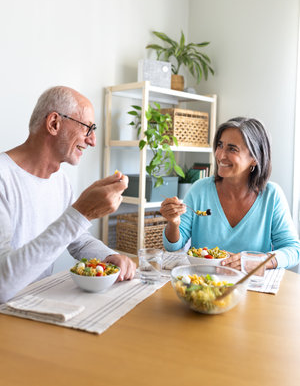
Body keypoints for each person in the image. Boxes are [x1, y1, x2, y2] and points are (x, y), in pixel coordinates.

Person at [0, 86, 136, 303]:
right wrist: (81, 213)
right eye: (87, 128)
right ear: (54, 123)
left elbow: (76, 238)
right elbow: (2, 284)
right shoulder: (3, 177)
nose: (92, 141)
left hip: (36, 304)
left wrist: (108, 257)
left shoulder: (59, 180)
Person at [160, 117, 300, 270]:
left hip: (249, 286)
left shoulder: (272, 196)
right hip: (204, 285)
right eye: (220, 145)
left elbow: (293, 251)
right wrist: (173, 223)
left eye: (232, 149)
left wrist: (260, 261)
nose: (220, 155)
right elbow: (173, 246)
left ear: (254, 158)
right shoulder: (199, 190)